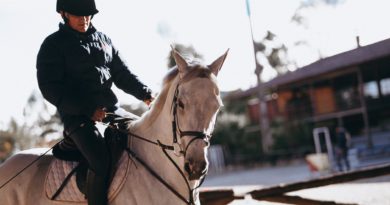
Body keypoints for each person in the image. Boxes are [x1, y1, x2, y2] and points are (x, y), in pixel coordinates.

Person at [36, 0, 154, 204]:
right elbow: (50, 88)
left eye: (88, 15)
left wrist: (146, 94)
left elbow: (122, 74)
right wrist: (88, 109)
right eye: (77, 15)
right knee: (100, 161)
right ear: (63, 14)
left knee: (147, 137)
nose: (84, 20)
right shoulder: (52, 45)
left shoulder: (104, 40)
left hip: (112, 110)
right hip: (78, 117)